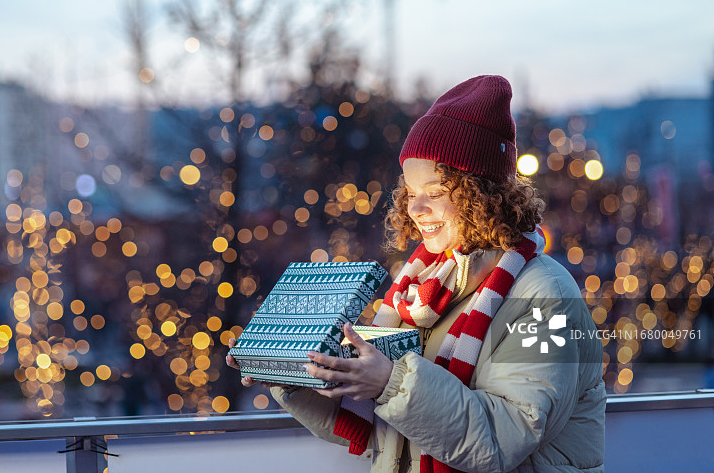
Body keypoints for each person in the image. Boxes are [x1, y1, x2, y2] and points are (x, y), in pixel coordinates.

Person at [227, 75, 605, 473]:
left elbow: (502, 438)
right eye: (410, 192)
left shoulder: (545, 295)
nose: (415, 208)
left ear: (484, 192)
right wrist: (294, 375)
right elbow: (384, 431)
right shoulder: (424, 287)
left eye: (436, 191)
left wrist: (390, 382)